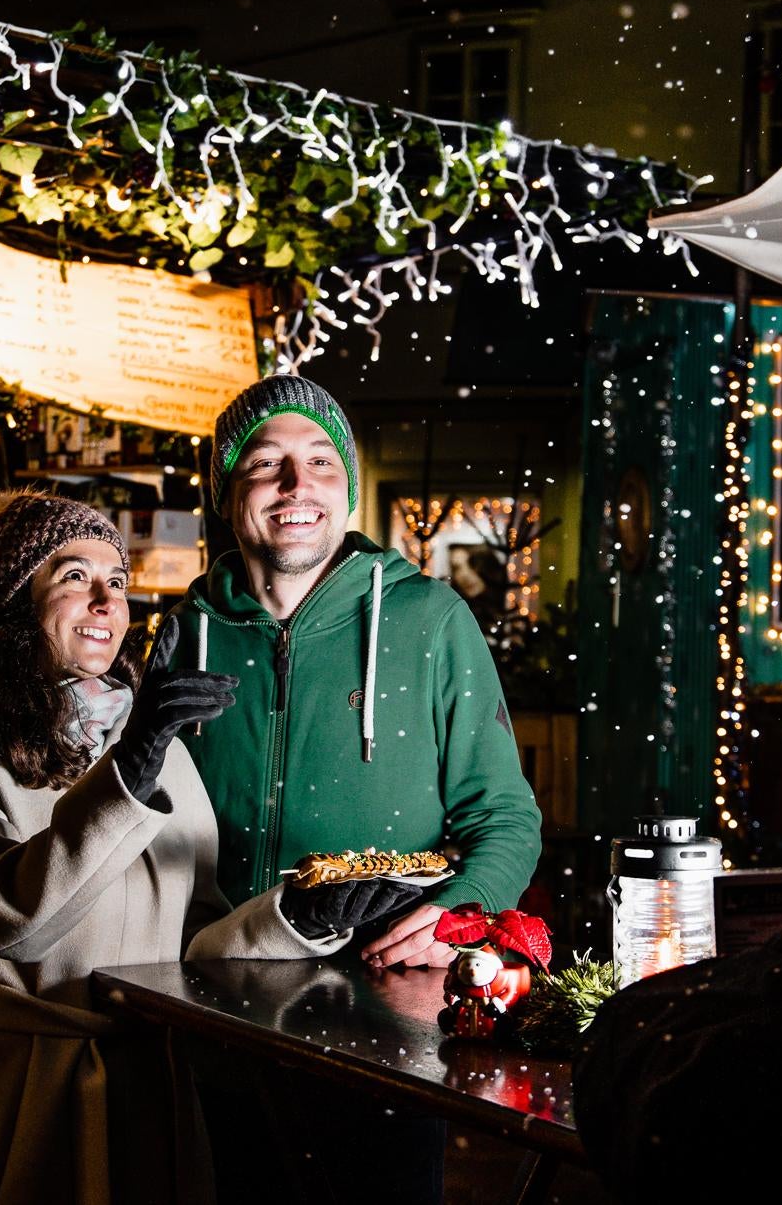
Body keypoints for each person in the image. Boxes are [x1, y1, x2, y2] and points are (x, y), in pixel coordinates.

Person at [0, 490, 421, 1205]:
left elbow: (196, 948)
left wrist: (302, 913)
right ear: (16, 604)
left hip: (150, 1092)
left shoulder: (147, 739)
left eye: (118, 581)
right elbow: (1, 919)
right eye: (74, 576)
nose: (107, 600)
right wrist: (127, 774)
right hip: (23, 1096)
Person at [178, 376, 544, 1205]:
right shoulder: (182, 629)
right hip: (208, 1017)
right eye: (265, 464)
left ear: (345, 484)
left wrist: (464, 915)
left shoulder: (430, 620)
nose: (294, 485)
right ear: (226, 492)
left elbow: (507, 816)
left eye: (317, 462)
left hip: (380, 1026)